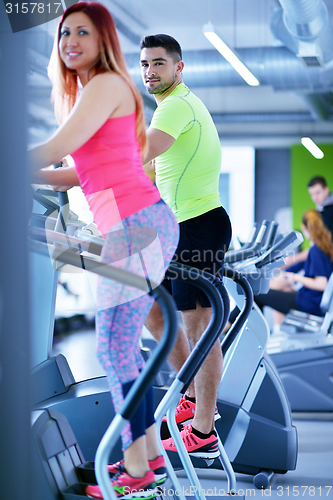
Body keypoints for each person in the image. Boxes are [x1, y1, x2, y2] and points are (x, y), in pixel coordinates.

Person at [29, 3, 179, 499]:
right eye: (64, 32)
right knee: (120, 350)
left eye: (82, 32)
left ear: (104, 39)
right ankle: (148, 458)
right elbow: (79, 171)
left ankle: (137, 467)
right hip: (133, 227)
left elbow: (53, 148)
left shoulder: (106, 85)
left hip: (139, 226)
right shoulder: (96, 93)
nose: (70, 40)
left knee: (114, 348)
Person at [139, 34, 232, 458]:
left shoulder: (176, 105)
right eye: (144, 64)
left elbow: (141, 153)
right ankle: (193, 398)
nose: (150, 71)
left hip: (198, 228)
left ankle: (204, 431)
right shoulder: (169, 108)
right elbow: (155, 171)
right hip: (181, 228)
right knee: (155, 311)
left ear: (178, 68)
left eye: (159, 63)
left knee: (200, 331)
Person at [254, 209, 333, 328]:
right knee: (282, 290)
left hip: (310, 304)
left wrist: (297, 278)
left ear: (304, 227)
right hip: (313, 301)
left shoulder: (316, 251)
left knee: (256, 295)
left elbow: (322, 283)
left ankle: (233, 327)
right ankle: (277, 329)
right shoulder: (325, 247)